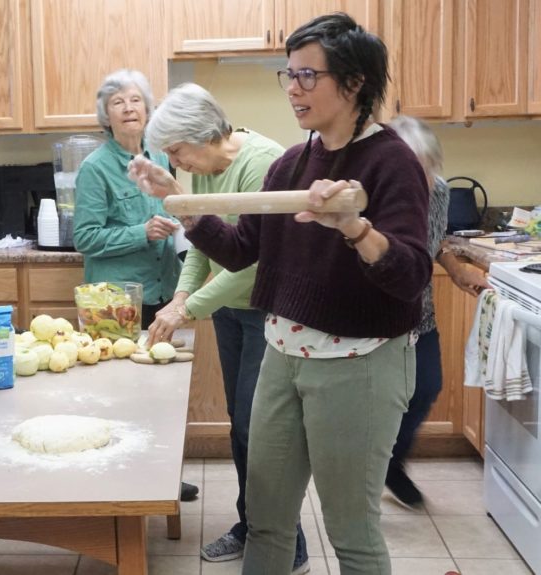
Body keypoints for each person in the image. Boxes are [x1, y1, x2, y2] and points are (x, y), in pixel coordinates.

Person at [130, 13, 432, 574]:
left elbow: (411, 274)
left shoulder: (393, 163)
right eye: (287, 75)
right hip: (283, 354)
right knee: (267, 520)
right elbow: (243, 248)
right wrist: (180, 199)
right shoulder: (293, 163)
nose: (293, 88)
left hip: (359, 362)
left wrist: (355, 228)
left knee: (351, 531)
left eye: (307, 76)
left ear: (355, 81)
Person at [145, 83, 309, 573]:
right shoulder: (207, 169)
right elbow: (202, 238)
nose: (176, 163)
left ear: (202, 135)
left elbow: (256, 263)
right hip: (231, 311)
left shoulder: (262, 163)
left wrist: (188, 307)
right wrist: (180, 296)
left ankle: (286, 540)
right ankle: (251, 523)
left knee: (263, 431)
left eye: (177, 151)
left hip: (268, 311)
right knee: (244, 427)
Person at [72, 69, 196, 503]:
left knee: (162, 394)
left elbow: (173, 211)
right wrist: (141, 232)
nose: (128, 108)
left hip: (162, 292)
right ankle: (118, 484)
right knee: (119, 397)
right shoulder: (95, 169)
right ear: (106, 116)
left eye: (136, 100)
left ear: (149, 109)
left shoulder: (160, 159)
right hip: (115, 304)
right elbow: (84, 238)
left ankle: (160, 479)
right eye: (117, 102)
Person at [386, 115, 489, 507]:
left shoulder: (440, 191)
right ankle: (367, 473)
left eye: (429, 168)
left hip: (419, 312)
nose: (424, 179)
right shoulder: (370, 196)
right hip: (372, 323)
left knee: (426, 386)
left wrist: (454, 265)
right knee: (377, 403)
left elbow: (433, 240)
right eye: (414, 169)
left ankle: (391, 462)